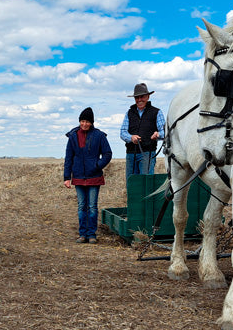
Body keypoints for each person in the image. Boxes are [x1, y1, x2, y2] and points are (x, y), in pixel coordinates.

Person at [64, 107, 112, 244]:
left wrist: (97, 165)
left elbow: (108, 154)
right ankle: (82, 234)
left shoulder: (99, 135)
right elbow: (69, 157)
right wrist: (67, 177)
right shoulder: (73, 136)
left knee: (92, 206)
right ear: (79, 121)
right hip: (78, 176)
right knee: (81, 206)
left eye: (87, 121)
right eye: (82, 121)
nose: (84, 124)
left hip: (94, 176)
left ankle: (92, 234)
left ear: (91, 122)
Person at [120, 83, 165, 185]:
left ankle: (147, 202)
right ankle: (133, 202)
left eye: (142, 97)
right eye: (137, 97)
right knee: (131, 185)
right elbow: (122, 132)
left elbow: (164, 131)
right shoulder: (129, 113)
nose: (139, 99)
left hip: (147, 153)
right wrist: (131, 137)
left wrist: (158, 135)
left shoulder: (157, 112)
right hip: (131, 154)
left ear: (148, 97)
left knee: (146, 184)